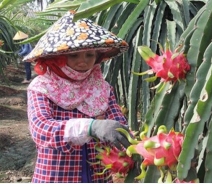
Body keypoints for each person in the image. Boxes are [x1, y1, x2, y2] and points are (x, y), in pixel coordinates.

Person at [23, 10, 131, 183]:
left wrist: (138, 143)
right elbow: (41, 130)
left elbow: (119, 124)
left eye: (90, 55)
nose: (84, 61)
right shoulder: (41, 87)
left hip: (99, 176)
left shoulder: (102, 88)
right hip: (56, 176)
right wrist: (91, 127)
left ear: (98, 56)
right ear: (57, 57)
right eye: (74, 55)